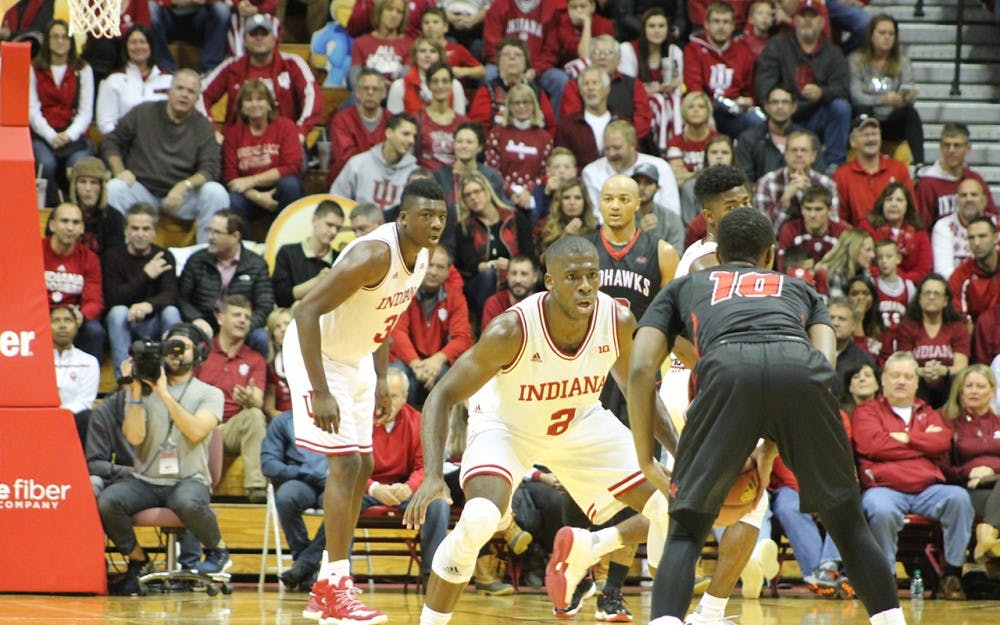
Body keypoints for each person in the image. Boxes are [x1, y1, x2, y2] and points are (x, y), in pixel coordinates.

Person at [629, 206, 908, 625]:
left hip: (726, 374)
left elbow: (639, 369)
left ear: (717, 254)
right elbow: (823, 368)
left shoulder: (684, 286)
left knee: (686, 528)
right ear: (770, 255)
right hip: (799, 372)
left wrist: (646, 458)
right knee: (849, 525)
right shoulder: (799, 290)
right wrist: (771, 448)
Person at [402, 234, 676, 625]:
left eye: (592, 276)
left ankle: (660, 612)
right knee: (479, 519)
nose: (585, 286)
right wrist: (432, 475)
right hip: (506, 427)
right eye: (573, 277)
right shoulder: (510, 330)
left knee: (669, 502)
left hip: (578, 421)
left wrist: (681, 455)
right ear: (549, 282)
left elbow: (641, 390)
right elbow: (442, 395)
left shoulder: (616, 320)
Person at [283, 178, 446, 625]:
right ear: (404, 218)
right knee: (346, 464)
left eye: (441, 217)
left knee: (366, 465)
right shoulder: (373, 254)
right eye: (426, 216)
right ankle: (336, 585)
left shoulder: (423, 257)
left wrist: (379, 376)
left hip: (356, 357)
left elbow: (384, 317)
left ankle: (325, 585)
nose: (435, 224)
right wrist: (319, 389)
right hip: (315, 352)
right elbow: (305, 311)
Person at [97, 323, 230, 596]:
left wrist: (164, 394)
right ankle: (137, 560)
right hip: (146, 479)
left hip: (188, 479)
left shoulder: (210, 394)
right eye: (171, 348)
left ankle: (218, 551)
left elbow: (195, 430)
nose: (176, 354)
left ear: (199, 354)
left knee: (187, 502)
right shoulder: (143, 391)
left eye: (183, 349)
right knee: (108, 501)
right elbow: (134, 438)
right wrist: (135, 389)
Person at [852, 351, 975, 600]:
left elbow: (941, 442)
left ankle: (951, 574)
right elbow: (873, 445)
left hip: (927, 490)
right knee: (879, 508)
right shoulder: (867, 411)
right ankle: (885, 578)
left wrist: (906, 438)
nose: (901, 381)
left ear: (916, 382)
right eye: (895, 375)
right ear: (884, 379)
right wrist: (920, 446)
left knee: (959, 498)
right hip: (884, 489)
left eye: (908, 376)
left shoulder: (929, 413)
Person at [102, 69, 229, 244]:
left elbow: (210, 169)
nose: (184, 95)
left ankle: (207, 259)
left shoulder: (203, 126)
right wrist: (120, 171)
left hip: (181, 197)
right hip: (141, 189)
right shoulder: (143, 112)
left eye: (190, 91)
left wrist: (185, 185)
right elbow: (111, 142)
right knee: (114, 188)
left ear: (197, 98)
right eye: (180, 88)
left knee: (216, 192)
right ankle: (122, 255)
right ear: (169, 91)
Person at [754, 0, 851, 168]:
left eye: (813, 17)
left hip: (817, 115)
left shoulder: (833, 52)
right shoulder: (778, 45)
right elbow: (764, 84)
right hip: (785, 115)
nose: (807, 20)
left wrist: (822, 92)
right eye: (802, 16)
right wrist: (785, 104)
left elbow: (842, 87)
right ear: (795, 20)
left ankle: (834, 165)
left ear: (822, 21)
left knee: (841, 107)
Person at [201, 13, 323, 144]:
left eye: (264, 33)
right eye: (253, 34)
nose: (259, 38)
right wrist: (211, 131)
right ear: (245, 40)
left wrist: (301, 132)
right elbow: (200, 93)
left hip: (284, 143)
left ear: (274, 38)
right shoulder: (232, 67)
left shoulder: (292, 64)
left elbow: (312, 96)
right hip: (238, 145)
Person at [102, 203, 182, 378]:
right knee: (117, 312)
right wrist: (146, 275)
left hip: (154, 322)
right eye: (135, 228)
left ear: (154, 232)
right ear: (126, 231)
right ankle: (125, 379)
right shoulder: (113, 256)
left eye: (146, 229)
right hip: (125, 323)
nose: (140, 234)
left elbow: (171, 295)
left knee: (171, 312)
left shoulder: (164, 256)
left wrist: (148, 305)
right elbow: (112, 298)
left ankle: (170, 376)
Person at [177, 210, 274, 355]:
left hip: (240, 325)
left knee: (261, 337)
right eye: (209, 230)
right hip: (205, 323)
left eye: (217, 233)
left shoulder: (256, 264)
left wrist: (242, 325)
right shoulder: (197, 260)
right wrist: (196, 318)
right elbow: (180, 297)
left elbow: (265, 306)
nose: (210, 237)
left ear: (235, 236)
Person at [389, 246, 473, 407]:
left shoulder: (456, 298)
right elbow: (397, 332)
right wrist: (416, 364)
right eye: (429, 265)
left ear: (448, 272)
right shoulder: (404, 292)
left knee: (448, 377)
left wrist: (437, 359)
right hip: (407, 360)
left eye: (440, 267)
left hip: (437, 362)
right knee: (399, 376)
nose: (433, 271)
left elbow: (462, 338)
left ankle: (445, 431)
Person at [261, 408, 330, 590]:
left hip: (334, 482)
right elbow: (268, 463)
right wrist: (301, 472)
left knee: (340, 505)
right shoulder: (283, 421)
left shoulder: (344, 418)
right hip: (300, 480)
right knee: (285, 497)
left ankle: (303, 565)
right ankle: (305, 561)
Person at [222, 79, 305, 226]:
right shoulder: (232, 133)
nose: (254, 104)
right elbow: (231, 177)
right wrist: (258, 197)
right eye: (248, 100)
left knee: (290, 184)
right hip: (248, 194)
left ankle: (285, 242)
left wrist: (252, 180)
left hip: (279, 190)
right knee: (232, 200)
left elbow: (292, 166)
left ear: (269, 104)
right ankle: (246, 247)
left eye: (260, 99)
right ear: (241, 107)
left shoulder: (286, 127)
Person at [29, 19, 94, 207]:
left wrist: (68, 135)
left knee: (79, 166)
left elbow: (85, 112)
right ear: (47, 41)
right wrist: (51, 136)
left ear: (71, 41)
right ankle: (44, 212)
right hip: (43, 135)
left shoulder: (83, 69)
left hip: (74, 137)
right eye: (55, 37)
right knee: (45, 165)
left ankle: (80, 214)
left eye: (65, 37)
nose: (60, 41)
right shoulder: (34, 68)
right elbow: (33, 110)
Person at [454, 171, 535, 317]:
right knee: (488, 276)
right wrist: (493, 265)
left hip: (514, 276)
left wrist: (512, 267)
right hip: (480, 282)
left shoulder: (515, 218)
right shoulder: (464, 227)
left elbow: (529, 255)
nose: (473, 197)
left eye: (477, 191)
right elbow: (470, 265)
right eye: (467, 195)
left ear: (487, 192)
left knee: (526, 275)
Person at [941, 365, 1000, 565]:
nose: (974, 391)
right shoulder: (949, 422)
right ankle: (990, 545)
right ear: (961, 390)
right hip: (970, 490)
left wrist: (991, 473)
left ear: (993, 391)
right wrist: (968, 472)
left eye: (981, 386)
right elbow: (943, 467)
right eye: (969, 386)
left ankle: (987, 539)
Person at [848, 14, 924, 167]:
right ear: (871, 35)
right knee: (862, 108)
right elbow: (855, 95)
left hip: (891, 120)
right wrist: (882, 100)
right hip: (868, 117)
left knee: (910, 113)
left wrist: (906, 97)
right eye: (882, 33)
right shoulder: (855, 60)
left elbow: (907, 87)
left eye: (891, 34)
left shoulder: (903, 62)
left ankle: (919, 165)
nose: (887, 38)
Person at [885, 274, 970, 409]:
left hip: (948, 387)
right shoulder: (908, 327)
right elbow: (906, 365)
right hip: (919, 386)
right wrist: (923, 372)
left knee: (955, 378)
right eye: (927, 293)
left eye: (937, 293)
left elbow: (961, 367)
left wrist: (943, 370)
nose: (931, 297)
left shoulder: (958, 327)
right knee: (911, 379)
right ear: (919, 298)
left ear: (946, 300)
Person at [682, 2, 762, 139]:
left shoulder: (744, 53)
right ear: (706, 24)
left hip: (734, 111)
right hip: (706, 107)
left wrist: (748, 100)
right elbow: (694, 87)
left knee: (758, 122)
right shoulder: (693, 50)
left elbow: (749, 91)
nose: (721, 27)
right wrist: (706, 114)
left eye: (726, 22)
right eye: (716, 21)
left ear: (733, 26)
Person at [560, 34, 654, 146]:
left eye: (608, 53)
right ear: (590, 58)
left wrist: (622, 141)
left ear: (619, 59)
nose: (602, 57)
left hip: (627, 145)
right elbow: (571, 118)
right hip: (585, 145)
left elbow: (643, 118)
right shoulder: (575, 84)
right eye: (597, 53)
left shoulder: (633, 84)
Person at [616, 7, 684, 159]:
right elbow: (628, 88)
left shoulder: (674, 51)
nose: (657, 31)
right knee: (658, 101)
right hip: (639, 102)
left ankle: (676, 146)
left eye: (661, 26)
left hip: (669, 102)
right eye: (652, 26)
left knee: (675, 100)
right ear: (643, 29)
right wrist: (657, 89)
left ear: (668, 29)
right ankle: (660, 149)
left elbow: (680, 87)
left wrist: (675, 85)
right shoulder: (628, 50)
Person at [43, 202, 105, 361]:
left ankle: (89, 382)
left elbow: (94, 300)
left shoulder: (89, 258)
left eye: (75, 222)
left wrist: (81, 316)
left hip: (74, 317)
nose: (70, 228)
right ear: (52, 225)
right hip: (41, 315)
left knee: (95, 331)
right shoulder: (36, 251)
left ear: (82, 229)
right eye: (64, 221)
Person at [481, 0, 566, 117]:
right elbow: (491, 46)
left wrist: (535, 70)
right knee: (488, 74)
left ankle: (553, 129)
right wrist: (505, 67)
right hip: (504, 66)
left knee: (560, 80)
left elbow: (551, 50)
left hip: (537, 69)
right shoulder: (499, 5)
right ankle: (490, 124)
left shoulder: (551, 9)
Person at [582, 120, 680, 220]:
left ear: (633, 145)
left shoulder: (660, 166)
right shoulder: (591, 172)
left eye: (617, 148)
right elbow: (594, 216)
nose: (611, 154)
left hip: (657, 230)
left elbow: (673, 212)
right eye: (607, 149)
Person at [834, 115, 915, 227]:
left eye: (875, 134)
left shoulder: (898, 169)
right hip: (859, 240)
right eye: (865, 135)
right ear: (853, 141)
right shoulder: (842, 175)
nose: (871, 139)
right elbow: (840, 220)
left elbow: (912, 212)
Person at [735, 86, 825, 185]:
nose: (780, 106)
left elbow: (818, 176)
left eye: (785, 102)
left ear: (794, 107)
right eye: (774, 102)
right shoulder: (748, 139)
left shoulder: (809, 139)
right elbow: (745, 180)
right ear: (766, 106)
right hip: (761, 197)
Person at [753, 130, 839, 234]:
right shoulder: (766, 182)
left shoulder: (827, 184)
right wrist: (785, 200)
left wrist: (811, 195)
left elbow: (833, 229)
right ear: (785, 154)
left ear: (813, 156)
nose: (798, 154)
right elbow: (763, 232)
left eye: (803, 150)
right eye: (794, 150)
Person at [331, 113, 419, 213]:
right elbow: (336, 200)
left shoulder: (415, 173)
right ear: (389, 133)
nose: (411, 140)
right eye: (406, 134)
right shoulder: (358, 164)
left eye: (414, 136)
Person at [485, 83, 552, 211]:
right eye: (516, 103)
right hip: (502, 194)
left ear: (534, 105)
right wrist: (510, 193)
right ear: (509, 106)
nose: (521, 106)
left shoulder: (545, 138)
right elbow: (492, 170)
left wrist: (528, 191)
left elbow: (544, 173)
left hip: (532, 196)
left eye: (526, 102)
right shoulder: (497, 133)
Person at [468, 37, 556, 135]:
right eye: (506, 55)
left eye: (518, 55)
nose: (512, 58)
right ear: (498, 62)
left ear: (526, 63)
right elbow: (479, 129)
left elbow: (550, 127)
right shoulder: (488, 90)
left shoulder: (537, 92)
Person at [915, 123, 997, 228]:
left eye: (957, 145)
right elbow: (923, 227)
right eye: (946, 145)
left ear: (968, 149)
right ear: (940, 147)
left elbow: (992, 216)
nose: (951, 151)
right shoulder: (927, 184)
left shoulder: (975, 179)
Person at [272, 200, 344, 308]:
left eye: (338, 228)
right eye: (329, 225)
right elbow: (280, 297)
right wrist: (317, 281)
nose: (334, 232)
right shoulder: (287, 253)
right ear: (315, 220)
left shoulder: (340, 259)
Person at [326, 70, 391, 187]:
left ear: (384, 93)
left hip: (382, 183)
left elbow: (393, 156)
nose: (370, 93)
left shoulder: (392, 120)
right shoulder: (342, 120)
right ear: (357, 92)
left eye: (375, 89)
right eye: (365, 88)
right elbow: (345, 158)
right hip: (347, 183)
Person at [856, 182, 930, 284]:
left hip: (910, 286)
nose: (893, 204)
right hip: (874, 283)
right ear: (882, 204)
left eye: (899, 200)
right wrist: (887, 278)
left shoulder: (919, 232)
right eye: (889, 199)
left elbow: (923, 270)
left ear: (907, 205)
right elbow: (864, 262)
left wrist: (899, 281)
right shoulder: (867, 226)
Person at [52, 304, 99, 446]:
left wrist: (60, 416)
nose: (62, 326)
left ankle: (87, 466)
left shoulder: (88, 361)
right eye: (56, 321)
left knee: (88, 417)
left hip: (74, 421)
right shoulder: (35, 360)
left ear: (76, 326)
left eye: (67, 320)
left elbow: (85, 401)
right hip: (40, 420)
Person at [932, 178, 996, 280]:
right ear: (957, 201)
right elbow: (943, 272)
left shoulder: (997, 224)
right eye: (963, 195)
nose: (969, 199)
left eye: (974, 195)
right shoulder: (943, 226)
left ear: (984, 200)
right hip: (957, 288)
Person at [386, 37, 466, 116]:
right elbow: (394, 123)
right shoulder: (399, 86)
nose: (427, 55)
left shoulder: (455, 85)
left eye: (433, 51)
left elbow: (460, 121)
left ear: (440, 56)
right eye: (422, 51)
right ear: (415, 56)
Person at [776, 184, 848, 268]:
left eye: (818, 209)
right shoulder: (789, 230)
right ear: (802, 210)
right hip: (798, 279)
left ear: (829, 210)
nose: (812, 215)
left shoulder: (843, 232)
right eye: (808, 209)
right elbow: (782, 268)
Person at [414, 63, 469, 171]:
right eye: (435, 81)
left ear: (451, 84)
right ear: (429, 85)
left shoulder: (463, 122)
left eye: (445, 81)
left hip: (453, 182)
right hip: (426, 179)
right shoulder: (417, 118)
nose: (440, 86)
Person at [66, 156, 125, 257]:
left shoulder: (115, 218)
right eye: (82, 182)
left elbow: (114, 259)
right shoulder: (62, 214)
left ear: (102, 187)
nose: (88, 188)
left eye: (94, 182)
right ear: (74, 186)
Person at [148, 0, 229, 73]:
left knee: (222, 10)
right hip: (167, 15)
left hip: (200, 18)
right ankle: (165, 68)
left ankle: (209, 69)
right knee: (149, 8)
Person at [533, 177, 599, 263]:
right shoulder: (545, 227)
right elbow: (544, 261)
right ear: (560, 202)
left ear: (585, 202)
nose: (572, 202)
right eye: (566, 198)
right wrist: (566, 236)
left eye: (577, 198)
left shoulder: (595, 229)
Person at [349, 0, 413, 86]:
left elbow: (406, 78)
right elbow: (354, 78)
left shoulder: (409, 44)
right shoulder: (360, 43)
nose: (394, 15)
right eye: (389, 9)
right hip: (367, 92)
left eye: (399, 12)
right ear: (379, 12)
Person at [948, 217, 1000, 323]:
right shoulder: (960, 276)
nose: (976, 243)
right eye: (971, 238)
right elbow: (961, 320)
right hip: (979, 335)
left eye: (982, 236)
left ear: (995, 238)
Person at [420, 7, 484, 85]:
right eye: (426, 23)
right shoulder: (418, 49)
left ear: (445, 27)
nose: (430, 26)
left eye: (435, 22)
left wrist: (463, 71)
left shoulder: (457, 49)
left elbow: (481, 71)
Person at [666, 92, 718, 187]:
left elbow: (719, 174)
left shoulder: (717, 140)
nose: (696, 110)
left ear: (708, 111)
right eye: (690, 107)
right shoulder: (675, 142)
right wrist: (703, 174)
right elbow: (678, 178)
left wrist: (690, 174)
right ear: (684, 111)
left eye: (701, 106)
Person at [480, 254, 540, 330]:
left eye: (524, 274)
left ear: (535, 277)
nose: (518, 280)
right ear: (507, 275)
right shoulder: (494, 303)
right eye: (513, 273)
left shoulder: (542, 305)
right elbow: (488, 340)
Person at [632, 163, 684, 251]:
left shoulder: (671, 218)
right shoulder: (622, 216)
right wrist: (638, 235)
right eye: (637, 182)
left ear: (658, 189)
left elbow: (676, 254)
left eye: (648, 183)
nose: (641, 187)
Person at [814, 228, 874, 299]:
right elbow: (840, 307)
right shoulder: (834, 274)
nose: (873, 255)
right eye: (868, 250)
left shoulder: (864, 271)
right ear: (853, 250)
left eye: (872, 250)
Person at [872, 239, 916, 333]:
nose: (884, 261)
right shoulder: (872, 284)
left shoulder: (908, 286)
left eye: (889, 257)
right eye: (880, 257)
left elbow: (914, 318)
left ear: (898, 259)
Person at [263, 308, 293, 421]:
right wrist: (286, 421)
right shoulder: (271, 366)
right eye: (277, 326)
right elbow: (269, 409)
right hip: (284, 421)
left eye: (287, 324)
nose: (283, 329)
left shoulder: (311, 359)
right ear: (273, 336)